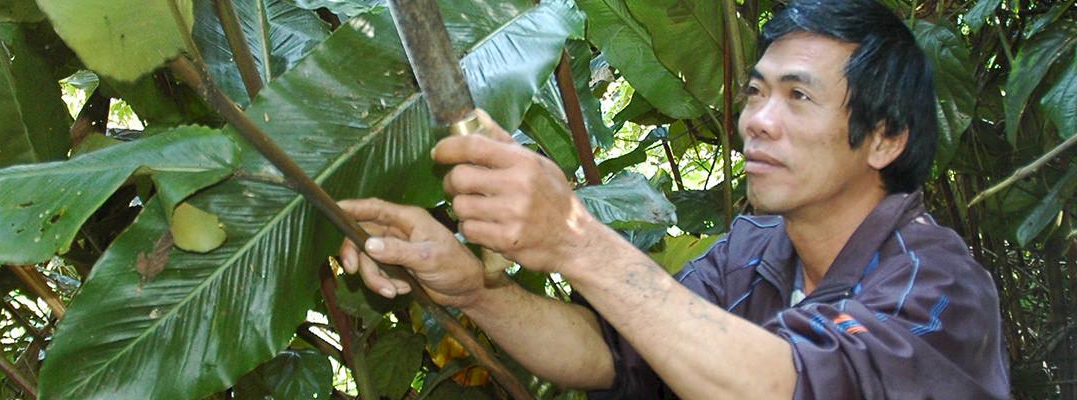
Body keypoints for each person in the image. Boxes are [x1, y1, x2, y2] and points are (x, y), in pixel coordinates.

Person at [335, 0, 1010, 397]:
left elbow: (787, 385)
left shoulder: (940, 287)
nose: (757, 121)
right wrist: (474, 290)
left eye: (798, 96)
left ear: (886, 138)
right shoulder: (751, 253)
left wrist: (573, 236)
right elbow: (609, 352)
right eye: (756, 92)